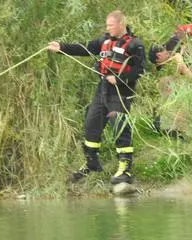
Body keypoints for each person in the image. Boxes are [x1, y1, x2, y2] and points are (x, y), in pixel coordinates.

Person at [48, 10, 145, 184]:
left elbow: (140, 71)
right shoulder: (103, 41)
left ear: (121, 24)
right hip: (103, 89)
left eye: (110, 25)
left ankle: (125, 169)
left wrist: (119, 80)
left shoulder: (135, 45)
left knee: (120, 127)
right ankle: (91, 163)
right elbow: (83, 47)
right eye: (107, 25)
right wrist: (61, 48)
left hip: (121, 92)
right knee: (91, 123)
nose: (107, 28)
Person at [148, 23, 192, 137]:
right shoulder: (172, 53)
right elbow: (190, 74)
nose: (164, 65)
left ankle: (178, 129)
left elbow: (189, 69)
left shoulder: (172, 49)